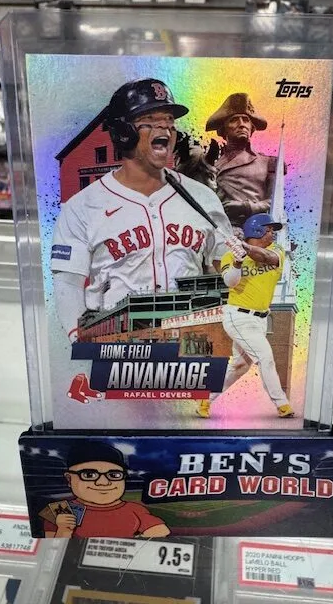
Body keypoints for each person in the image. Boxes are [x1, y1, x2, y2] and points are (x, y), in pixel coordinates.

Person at [51, 79, 233, 343]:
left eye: (169, 120)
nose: (165, 128)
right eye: (149, 120)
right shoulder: (81, 206)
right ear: (123, 132)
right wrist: (79, 341)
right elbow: (68, 283)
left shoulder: (203, 197)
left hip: (190, 344)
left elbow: (226, 267)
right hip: (118, 346)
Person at [197, 213, 294, 419]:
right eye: (269, 230)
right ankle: (282, 404)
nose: (273, 234)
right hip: (238, 316)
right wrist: (238, 262)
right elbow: (230, 282)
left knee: (239, 366)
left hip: (261, 319)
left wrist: (245, 247)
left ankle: (205, 399)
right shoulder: (229, 256)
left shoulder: (276, 250)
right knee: (265, 357)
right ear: (257, 230)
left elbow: (266, 258)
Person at [42, 441, 170, 538]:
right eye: (89, 475)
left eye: (114, 475)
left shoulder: (134, 509)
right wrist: (63, 531)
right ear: (69, 479)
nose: (103, 482)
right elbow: (50, 547)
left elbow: (161, 530)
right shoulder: (59, 510)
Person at [205, 93, 279, 233]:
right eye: (234, 120)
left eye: (246, 120)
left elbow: (276, 203)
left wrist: (246, 207)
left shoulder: (269, 163)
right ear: (223, 129)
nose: (241, 124)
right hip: (221, 232)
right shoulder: (211, 165)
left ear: (251, 128)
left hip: (256, 232)